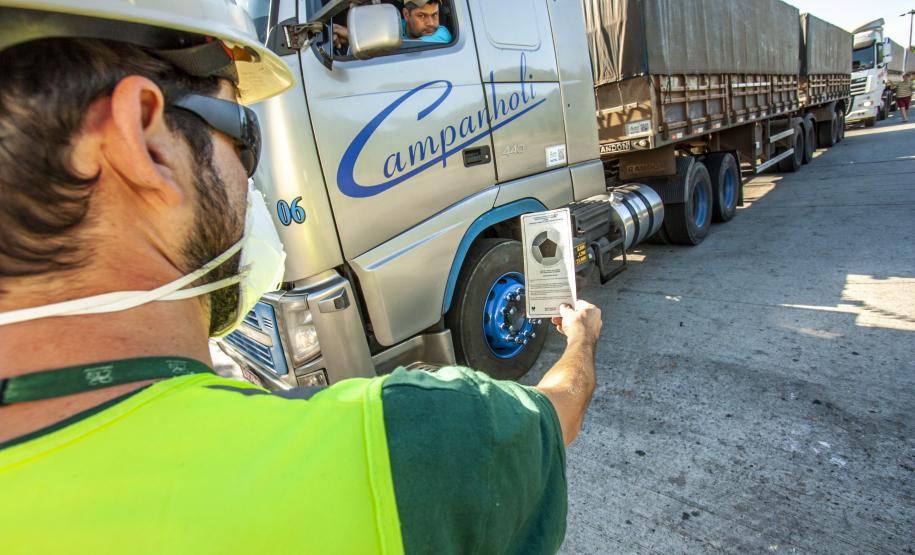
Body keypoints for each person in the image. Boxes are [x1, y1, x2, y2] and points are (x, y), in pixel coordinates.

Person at [0, 1, 602, 553]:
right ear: (146, 141)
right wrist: (581, 339)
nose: (251, 184)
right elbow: (556, 414)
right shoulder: (416, 442)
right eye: (245, 133)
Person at [333, 0, 452, 48]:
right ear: (406, 14)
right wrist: (349, 39)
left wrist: (352, 36)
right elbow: (377, 35)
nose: (431, 23)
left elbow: (405, 47)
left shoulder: (442, 35)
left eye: (435, 15)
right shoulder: (394, 25)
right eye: (422, 16)